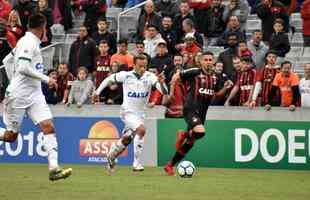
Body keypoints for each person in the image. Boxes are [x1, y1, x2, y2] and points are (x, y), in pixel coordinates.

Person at [0, 13, 72, 181]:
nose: (46, 30)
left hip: (35, 94)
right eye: (46, 26)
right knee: (11, 137)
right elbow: (23, 67)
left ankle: (54, 168)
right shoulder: (27, 42)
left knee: (49, 127)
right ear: (42, 27)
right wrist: (46, 79)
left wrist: (13, 79)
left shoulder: (30, 42)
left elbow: (7, 60)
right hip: (18, 95)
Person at [93, 54, 168, 172]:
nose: (142, 69)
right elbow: (109, 79)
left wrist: (162, 83)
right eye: (140, 66)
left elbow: (164, 91)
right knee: (141, 130)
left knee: (127, 139)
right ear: (134, 65)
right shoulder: (126, 75)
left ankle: (111, 156)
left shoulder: (150, 77)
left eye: (145, 66)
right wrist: (97, 92)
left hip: (140, 114)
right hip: (127, 112)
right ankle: (136, 163)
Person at [164, 51, 232, 175]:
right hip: (190, 108)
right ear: (200, 61)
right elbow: (177, 76)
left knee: (191, 142)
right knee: (200, 132)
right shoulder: (195, 72)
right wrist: (172, 91)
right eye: (205, 60)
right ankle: (184, 134)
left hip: (202, 112)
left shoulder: (216, 77)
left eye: (210, 60)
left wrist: (226, 88)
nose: (208, 62)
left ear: (214, 62)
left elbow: (217, 94)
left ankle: (170, 165)